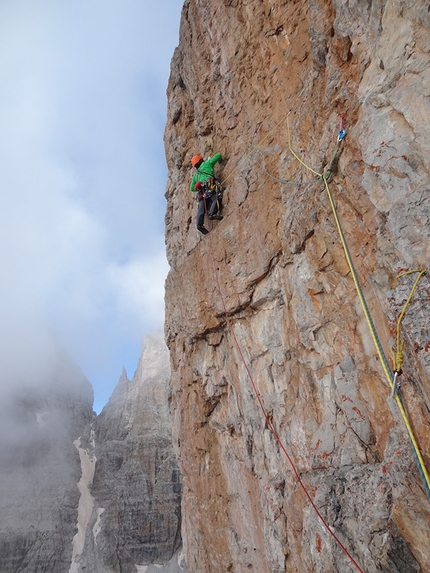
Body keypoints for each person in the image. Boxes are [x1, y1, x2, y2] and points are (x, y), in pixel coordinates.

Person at [190, 153, 223, 235]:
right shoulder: (207, 164)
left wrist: (197, 185)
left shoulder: (196, 175)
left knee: (201, 208)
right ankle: (212, 213)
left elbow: (191, 188)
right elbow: (218, 156)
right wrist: (220, 160)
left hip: (202, 193)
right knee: (216, 197)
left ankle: (199, 224)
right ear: (201, 160)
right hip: (210, 187)